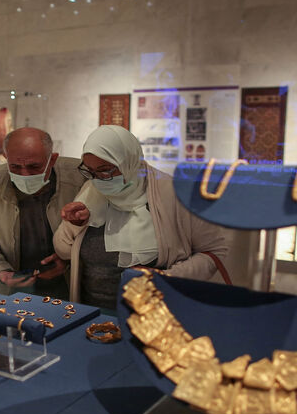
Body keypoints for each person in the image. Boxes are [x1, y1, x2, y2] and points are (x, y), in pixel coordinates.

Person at [53, 125, 228, 310]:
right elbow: (64, 250)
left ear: (128, 162)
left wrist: (164, 278)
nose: (97, 179)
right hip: (93, 312)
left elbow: (215, 251)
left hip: (158, 315)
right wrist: (76, 224)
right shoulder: (91, 190)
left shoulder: (175, 194)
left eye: (105, 170)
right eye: (90, 171)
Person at [0, 127, 84, 296]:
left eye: (34, 166)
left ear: (53, 159)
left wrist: (69, 259)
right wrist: (1, 272)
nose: (25, 174)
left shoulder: (80, 178)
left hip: (71, 283)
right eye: (15, 166)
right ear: (6, 158)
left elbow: (98, 231)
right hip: (15, 287)